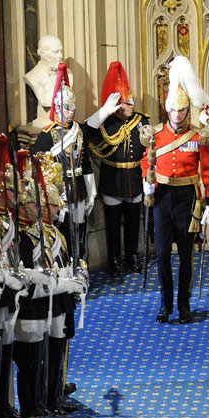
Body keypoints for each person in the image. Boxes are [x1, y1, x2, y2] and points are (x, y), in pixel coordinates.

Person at [140, 56, 209, 324]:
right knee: (162, 254)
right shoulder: (156, 134)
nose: (177, 115)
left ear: (187, 110)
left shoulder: (198, 136)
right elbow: (146, 161)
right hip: (162, 199)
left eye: (181, 110)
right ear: (167, 109)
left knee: (186, 256)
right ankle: (165, 304)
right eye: (173, 110)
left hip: (187, 200)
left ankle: (184, 304)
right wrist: (146, 180)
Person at [85, 61, 148, 276]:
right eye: (125, 103)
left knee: (133, 223)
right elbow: (87, 132)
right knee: (112, 225)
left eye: (131, 103)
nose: (129, 107)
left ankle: (131, 256)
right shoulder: (107, 122)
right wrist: (104, 112)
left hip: (135, 179)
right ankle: (113, 260)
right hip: (113, 179)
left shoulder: (142, 120)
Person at [32, 64, 95, 263]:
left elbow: (86, 163)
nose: (71, 112)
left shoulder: (79, 130)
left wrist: (91, 192)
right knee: (64, 234)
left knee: (80, 232)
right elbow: (39, 170)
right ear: (58, 108)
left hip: (79, 189)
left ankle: (79, 265)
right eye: (67, 108)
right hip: (60, 193)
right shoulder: (46, 136)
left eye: (73, 107)